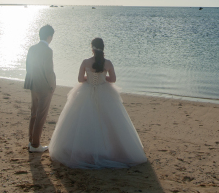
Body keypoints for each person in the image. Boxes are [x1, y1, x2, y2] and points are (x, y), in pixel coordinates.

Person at [48, 38, 147, 168]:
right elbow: (112, 79)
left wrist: (88, 77)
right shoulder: (108, 63)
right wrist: (102, 77)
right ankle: (108, 150)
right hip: (104, 92)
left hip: (86, 90)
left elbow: (79, 79)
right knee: (108, 121)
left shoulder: (85, 62)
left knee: (83, 120)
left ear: (92, 48)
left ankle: (83, 149)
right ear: (103, 48)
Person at [24, 25, 56, 153]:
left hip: (34, 84)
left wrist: (32, 80)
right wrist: (52, 85)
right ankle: (36, 145)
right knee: (41, 116)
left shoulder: (32, 48)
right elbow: (49, 71)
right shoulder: (48, 50)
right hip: (44, 86)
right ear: (49, 36)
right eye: (52, 36)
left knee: (34, 113)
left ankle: (31, 140)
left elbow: (28, 66)